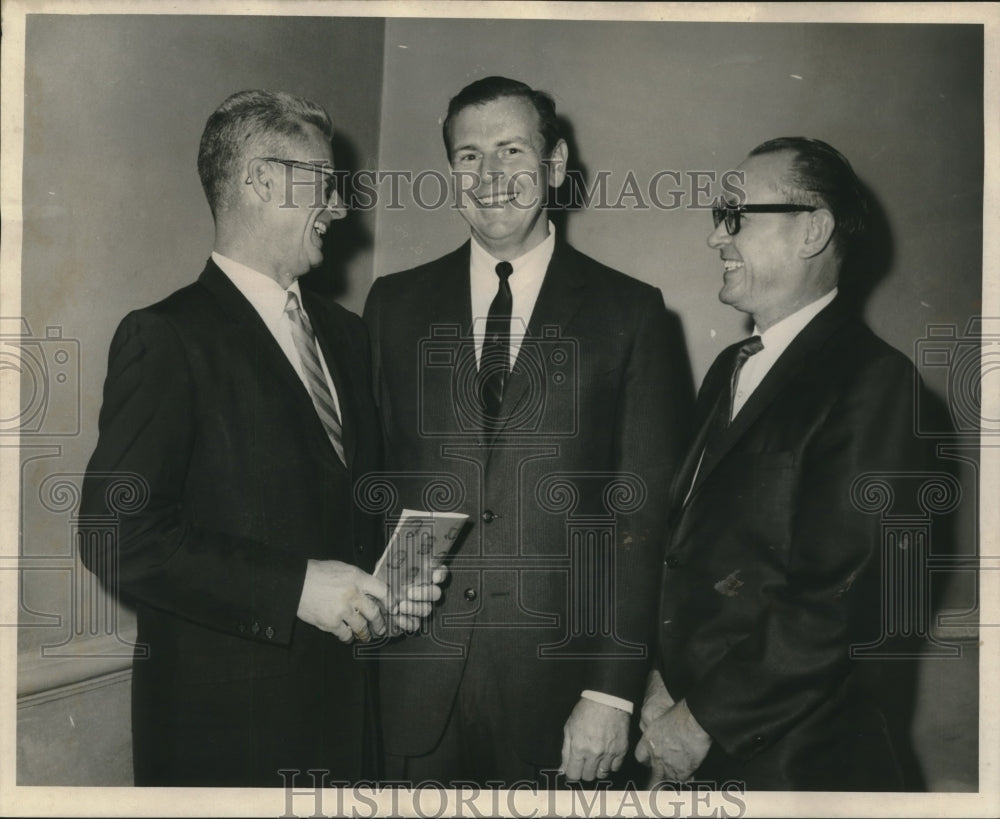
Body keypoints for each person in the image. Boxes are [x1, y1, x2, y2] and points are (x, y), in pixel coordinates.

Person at [78, 89, 442, 787]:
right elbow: (112, 534)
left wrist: (389, 594)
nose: (339, 208)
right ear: (259, 180)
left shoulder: (345, 333)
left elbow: (347, 511)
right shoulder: (168, 337)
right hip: (227, 743)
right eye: (325, 185)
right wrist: (296, 587)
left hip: (343, 727)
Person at [363, 76, 693, 786]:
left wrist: (611, 692)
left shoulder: (630, 313)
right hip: (414, 691)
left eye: (512, 150)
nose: (489, 176)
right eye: (468, 156)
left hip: (563, 702)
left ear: (555, 163)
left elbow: (644, 521)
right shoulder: (394, 305)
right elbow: (374, 485)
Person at [637, 137, 925, 790]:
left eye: (736, 215)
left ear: (813, 229)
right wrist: (660, 680)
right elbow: (686, 555)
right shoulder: (727, 371)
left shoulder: (875, 382)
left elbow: (835, 604)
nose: (717, 237)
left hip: (800, 769)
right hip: (698, 744)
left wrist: (699, 719)